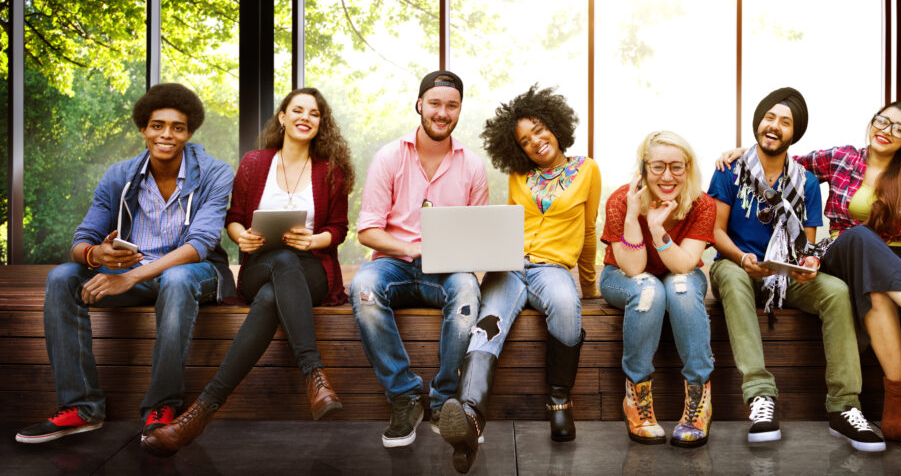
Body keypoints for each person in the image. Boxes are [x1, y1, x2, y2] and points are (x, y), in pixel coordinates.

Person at [718, 101, 901, 442]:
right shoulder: (843, 158)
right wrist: (748, 151)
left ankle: (896, 393)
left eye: (897, 128)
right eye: (882, 121)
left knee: (875, 289)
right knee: (859, 236)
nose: (885, 130)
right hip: (840, 252)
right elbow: (782, 162)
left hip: (896, 264)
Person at [140, 87, 356, 456]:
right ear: (283, 117)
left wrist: (314, 240)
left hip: (312, 270)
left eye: (315, 113)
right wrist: (244, 237)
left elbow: (338, 228)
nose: (306, 117)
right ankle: (314, 375)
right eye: (298, 110)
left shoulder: (330, 170)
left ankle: (198, 414)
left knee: (280, 283)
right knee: (278, 266)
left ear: (321, 124)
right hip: (259, 265)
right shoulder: (256, 163)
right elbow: (234, 219)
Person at [15, 83, 235, 444]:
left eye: (177, 127)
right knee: (62, 278)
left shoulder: (215, 172)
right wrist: (94, 255)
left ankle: (161, 406)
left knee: (178, 279)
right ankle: (81, 408)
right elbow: (81, 239)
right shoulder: (120, 175)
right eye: (157, 125)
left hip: (196, 272)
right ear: (144, 129)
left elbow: (201, 244)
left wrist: (130, 277)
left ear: (189, 132)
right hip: (132, 272)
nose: (166, 135)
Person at [707, 87, 885, 452]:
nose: (774, 126)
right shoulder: (730, 170)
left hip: (782, 276)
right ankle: (759, 397)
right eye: (769, 117)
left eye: (785, 122)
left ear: (795, 133)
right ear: (758, 122)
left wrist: (807, 263)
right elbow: (715, 231)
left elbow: (805, 244)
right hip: (738, 267)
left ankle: (844, 406)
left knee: (835, 290)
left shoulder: (805, 182)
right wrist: (742, 257)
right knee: (729, 274)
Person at [440, 85, 601, 473]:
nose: (535, 142)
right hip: (509, 266)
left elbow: (590, 230)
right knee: (485, 326)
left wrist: (590, 284)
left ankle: (559, 401)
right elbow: (508, 226)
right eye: (525, 141)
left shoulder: (587, 170)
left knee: (565, 306)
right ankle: (469, 417)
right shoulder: (518, 176)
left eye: (540, 130)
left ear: (556, 126)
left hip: (552, 269)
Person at [349, 71, 489, 448]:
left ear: (459, 110)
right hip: (394, 263)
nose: (442, 113)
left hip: (445, 271)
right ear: (419, 105)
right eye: (435, 104)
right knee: (363, 286)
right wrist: (412, 248)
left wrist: (469, 260)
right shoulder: (389, 157)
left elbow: (478, 236)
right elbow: (367, 232)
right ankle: (405, 397)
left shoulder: (472, 166)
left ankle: (444, 400)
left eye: (451, 105)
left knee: (466, 288)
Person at [599, 131, 716, 448]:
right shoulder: (620, 200)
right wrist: (636, 217)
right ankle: (636, 398)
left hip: (679, 270)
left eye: (677, 167)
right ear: (643, 168)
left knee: (679, 287)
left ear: (688, 169)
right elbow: (633, 269)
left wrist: (657, 227)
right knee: (649, 289)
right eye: (658, 167)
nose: (667, 176)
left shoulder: (702, 204)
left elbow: (684, 265)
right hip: (620, 276)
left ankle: (698, 400)